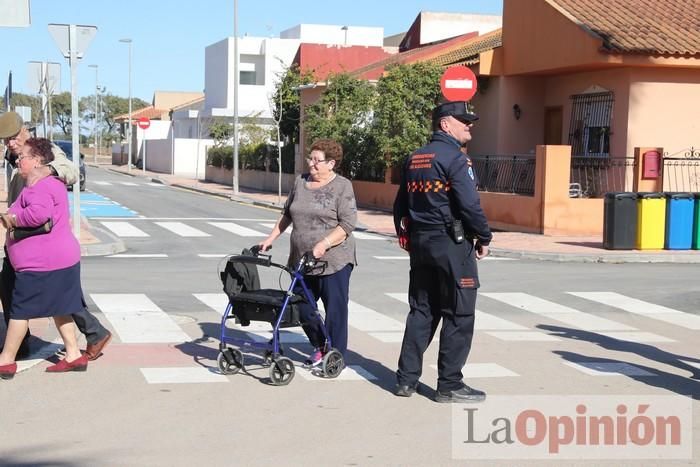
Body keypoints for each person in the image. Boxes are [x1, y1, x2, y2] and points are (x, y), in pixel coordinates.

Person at [393, 101, 492, 403]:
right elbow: (469, 205)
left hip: (421, 245)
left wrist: (407, 235)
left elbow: (399, 206)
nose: (470, 125)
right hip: (452, 245)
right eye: (464, 121)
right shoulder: (456, 159)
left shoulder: (414, 158)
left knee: (422, 310)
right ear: (445, 124)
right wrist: (484, 236)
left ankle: (406, 381)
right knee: (458, 313)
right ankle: (449, 384)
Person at [0, 111, 112, 360]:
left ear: (24, 130)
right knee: (11, 286)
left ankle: (91, 333)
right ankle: (26, 341)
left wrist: (47, 169)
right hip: (20, 238)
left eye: (13, 138)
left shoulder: (42, 150)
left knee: (57, 295)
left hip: (38, 240)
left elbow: (69, 170)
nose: (10, 144)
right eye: (6, 140)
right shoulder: (14, 156)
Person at [259, 138, 357, 367]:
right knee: (301, 307)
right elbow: (287, 214)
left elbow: (348, 224)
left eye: (317, 160)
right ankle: (321, 346)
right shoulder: (300, 183)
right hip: (302, 260)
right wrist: (270, 239)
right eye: (310, 159)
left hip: (334, 261)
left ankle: (336, 356)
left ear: (331, 163)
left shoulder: (342, 186)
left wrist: (324, 243)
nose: (311, 164)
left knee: (335, 312)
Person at [0, 138, 89, 378]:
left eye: (24, 157)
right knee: (60, 307)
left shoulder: (41, 186)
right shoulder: (44, 183)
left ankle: (6, 360)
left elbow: (39, 214)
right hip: (58, 259)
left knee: (19, 311)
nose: (19, 160)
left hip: (41, 263)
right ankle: (73, 355)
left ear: (38, 160)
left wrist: (12, 219)